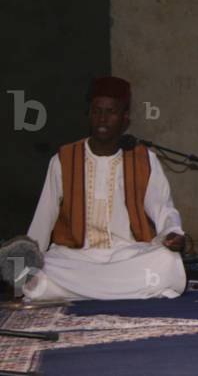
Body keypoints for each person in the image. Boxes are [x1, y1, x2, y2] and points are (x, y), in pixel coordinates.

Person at [22, 76, 187, 301]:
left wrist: (172, 233)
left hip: (126, 255)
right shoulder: (64, 159)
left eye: (111, 112)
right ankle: (121, 291)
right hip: (74, 259)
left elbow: (163, 208)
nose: (102, 118)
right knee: (40, 272)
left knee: (167, 261)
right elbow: (45, 214)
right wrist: (29, 257)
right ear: (89, 114)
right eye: (97, 111)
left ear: (125, 118)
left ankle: (83, 291)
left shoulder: (144, 159)